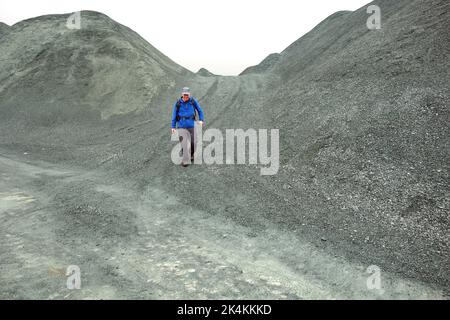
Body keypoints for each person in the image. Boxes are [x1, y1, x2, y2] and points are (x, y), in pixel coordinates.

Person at [171, 87, 205, 167]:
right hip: (181, 126)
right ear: (182, 95)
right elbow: (174, 115)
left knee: (194, 142)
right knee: (184, 143)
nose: (186, 97)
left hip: (191, 125)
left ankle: (191, 155)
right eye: (184, 95)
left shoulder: (193, 101)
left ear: (189, 95)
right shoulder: (178, 103)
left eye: (187, 95)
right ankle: (185, 160)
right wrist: (173, 126)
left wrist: (201, 119)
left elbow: (200, 110)